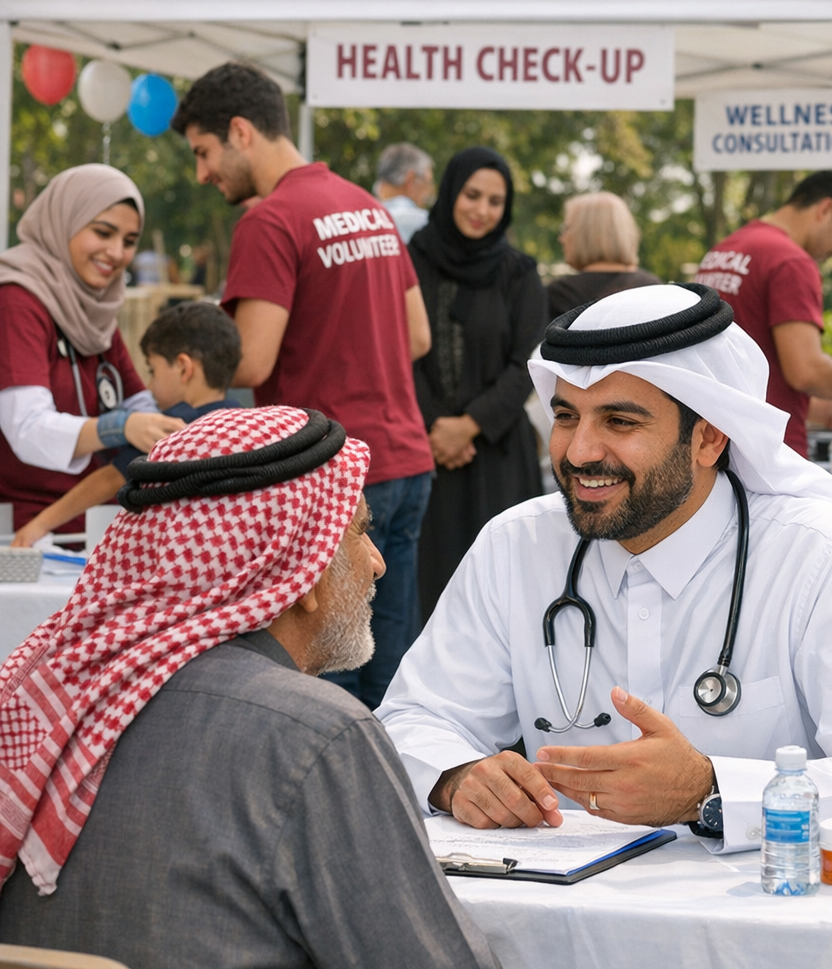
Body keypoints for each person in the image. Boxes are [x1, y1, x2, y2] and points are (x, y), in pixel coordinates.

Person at [378, 283, 832, 853]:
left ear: (709, 438)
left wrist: (709, 792)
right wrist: (455, 776)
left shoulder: (821, 555)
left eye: (620, 421)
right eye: (566, 416)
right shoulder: (516, 545)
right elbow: (411, 719)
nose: (579, 452)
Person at [0, 407, 499, 969]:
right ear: (304, 570)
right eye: (361, 533)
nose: (378, 564)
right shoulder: (318, 736)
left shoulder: (44, 701)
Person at [172, 63, 435, 710]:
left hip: (333, 477)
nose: (202, 174)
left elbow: (252, 361)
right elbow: (417, 336)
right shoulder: (367, 206)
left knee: (321, 682)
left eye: (204, 152)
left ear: (240, 131)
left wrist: (182, 364)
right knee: (392, 677)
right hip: (406, 460)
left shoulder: (270, 220)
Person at [0, 165, 185, 535]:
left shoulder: (95, 308)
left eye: (129, 241)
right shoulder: (16, 301)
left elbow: (138, 404)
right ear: (64, 222)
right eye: (102, 232)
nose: (116, 252)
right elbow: (28, 429)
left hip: (100, 525)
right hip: (30, 532)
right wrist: (120, 427)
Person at [408, 147, 547, 621]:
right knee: (429, 596)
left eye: (495, 201)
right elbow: (400, 352)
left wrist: (468, 425)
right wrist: (438, 427)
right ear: (450, 192)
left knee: (501, 597)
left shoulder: (519, 273)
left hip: (496, 454)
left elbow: (526, 364)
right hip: (427, 451)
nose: (481, 210)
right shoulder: (410, 263)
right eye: (472, 195)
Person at [693, 171, 832, 456]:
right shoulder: (791, 261)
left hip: (714, 445)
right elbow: (806, 372)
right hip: (769, 455)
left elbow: (752, 374)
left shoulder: (722, 252)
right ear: (825, 209)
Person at [11, 301, 242, 547]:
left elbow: (110, 480)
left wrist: (39, 525)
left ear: (184, 369)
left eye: (152, 370)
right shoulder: (241, 421)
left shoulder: (172, 428)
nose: (149, 386)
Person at [546, 191, 660, 319]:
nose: (561, 238)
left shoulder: (562, 294)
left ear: (585, 233)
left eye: (566, 228)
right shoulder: (654, 288)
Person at [374, 142, 435, 243]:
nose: (429, 191)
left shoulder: (361, 220)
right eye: (427, 183)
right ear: (411, 179)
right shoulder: (424, 223)